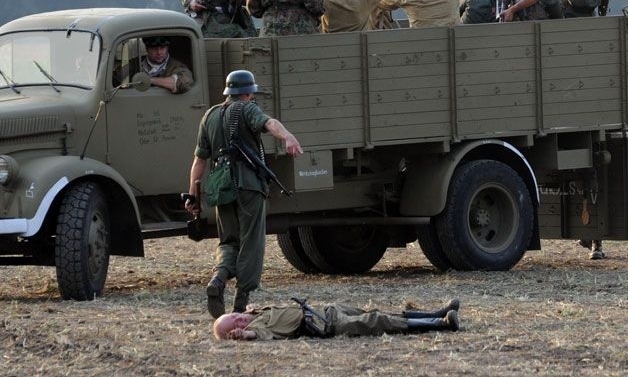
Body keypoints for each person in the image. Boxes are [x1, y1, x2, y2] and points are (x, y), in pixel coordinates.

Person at [184, 70, 303, 317]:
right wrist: (288, 137)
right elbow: (269, 123)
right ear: (247, 93)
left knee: (228, 240)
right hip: (248, 185)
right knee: (251, 242)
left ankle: (218, 278)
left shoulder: (210, 115)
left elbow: (199, 162)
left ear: (228, 92)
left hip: (221, 187)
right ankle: (241, 302)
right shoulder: (247, 109)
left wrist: (193, 196)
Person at [213, 298, 461, 340]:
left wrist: (250, 310)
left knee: (379, 313)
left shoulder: (255, 312)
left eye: (235, 317)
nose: (239, 320)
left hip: (328, 310)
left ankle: (436, 313)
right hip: (327, 325)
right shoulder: (257, 329)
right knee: (376, 321)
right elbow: (257, 335)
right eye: (234, 325)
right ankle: (442, 325)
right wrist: (245, 335)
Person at [113, 36, 194, 93]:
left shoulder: (176, 66)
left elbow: (184, 82)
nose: (159, 52)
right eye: (154, 49)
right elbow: (116, 79)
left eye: (162, 48)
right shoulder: (135, 63)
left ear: (167, 48)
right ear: (147, 49)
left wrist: (150, 80)